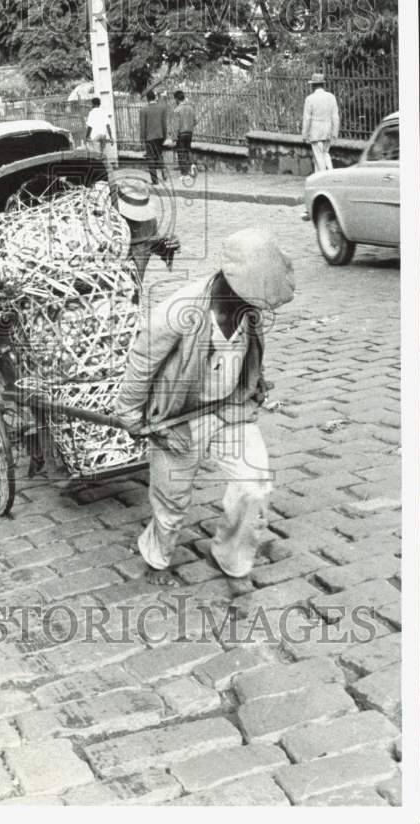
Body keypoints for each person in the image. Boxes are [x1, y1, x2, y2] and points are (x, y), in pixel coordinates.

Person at [114, 228, 295, 586]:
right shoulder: (179, 311)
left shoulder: (250, 311)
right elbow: (142, 362)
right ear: (228, 283)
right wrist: (130, 416)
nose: (255, 309)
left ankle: (232, 556)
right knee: (171, 506)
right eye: (250, 300)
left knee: (254, 487)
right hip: (177, 418)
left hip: (230, 411)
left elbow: (247, 356)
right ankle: (156, 554)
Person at [115, 176, 179, 281]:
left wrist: (168, 244)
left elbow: (153, 244)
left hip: (134, 286)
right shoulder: (106, 222)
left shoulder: (148, 221)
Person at [302, 72, 340, 173]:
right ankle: (330, 173)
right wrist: (335, 133)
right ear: (323, 85)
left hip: (315, 132)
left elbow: (307, 118)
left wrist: (304, 135)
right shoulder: (331, 97)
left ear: (313, 85)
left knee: (318, 156)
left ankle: (322, 177)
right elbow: (335, 117)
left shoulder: (310, 99)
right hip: (328, 131)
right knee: (325, 153)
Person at [139, 90, 169, 184]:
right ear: (155, 98)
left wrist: (142, 139)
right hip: (160, 135)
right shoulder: (162, 108)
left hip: (149, 137)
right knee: (159, 154)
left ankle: (154, 179)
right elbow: (164, 124)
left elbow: (142, 126)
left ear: (147, 99)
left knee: (150, 157)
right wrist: (164, 136)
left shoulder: (143, 110)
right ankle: (163, 171)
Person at [85, 97, 116, 172]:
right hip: (103, 135)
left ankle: (98, 172)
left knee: (96, 156)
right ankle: (109, 171)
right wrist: (111, 137)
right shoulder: (103, 112)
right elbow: (108, 126)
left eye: (91, 104)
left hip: (95, 136)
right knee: (103, 155)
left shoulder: (92, 113)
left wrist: (87, 136)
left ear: (93, 104)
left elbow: (90, 126)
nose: (91, 105)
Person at [173, 90, 196, 177]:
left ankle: (184, 173)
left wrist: (174, 137)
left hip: (181, 134)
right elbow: (195, 121)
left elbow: (176, 125)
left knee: (181, 152)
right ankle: (192, 165)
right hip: (189, 132)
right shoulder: (191, 108)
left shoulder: (177, 110)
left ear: (177, 99)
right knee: (188, 149)